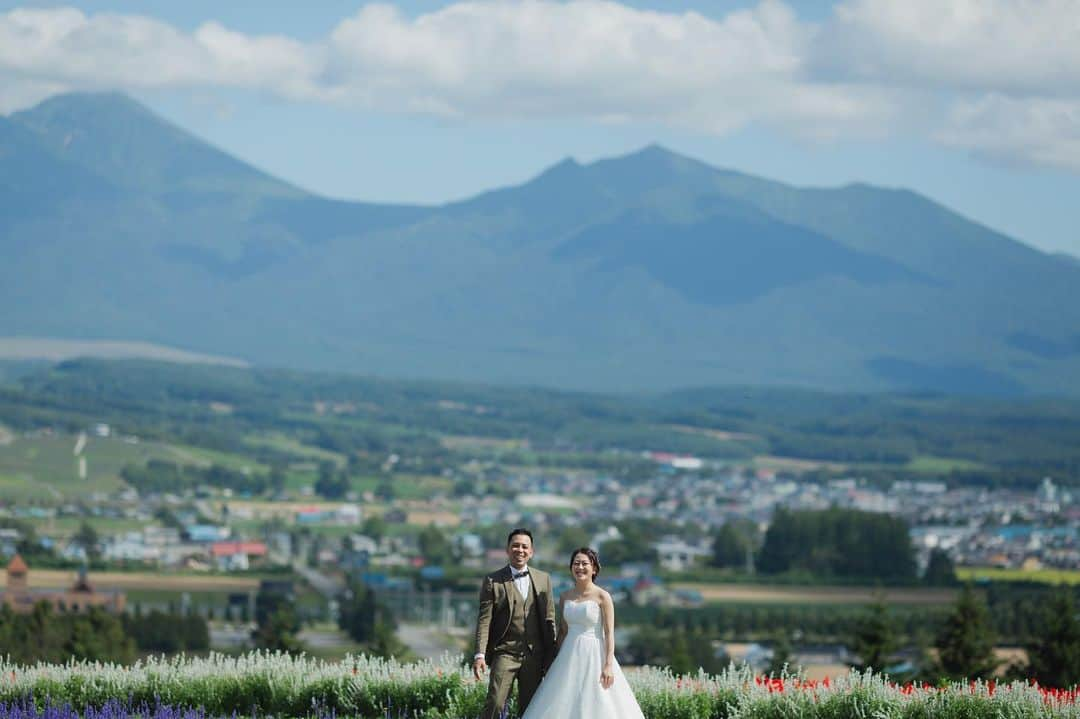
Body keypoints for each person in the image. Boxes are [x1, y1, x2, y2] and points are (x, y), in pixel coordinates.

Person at [519, 547, 644, 719]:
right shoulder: (565, 596)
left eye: (585, 563)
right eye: (576, 564)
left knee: (596, 699)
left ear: (594, 568)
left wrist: (608, 665)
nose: (580, 567)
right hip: (568, 655)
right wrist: (553, 659)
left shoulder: (603, 596)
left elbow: (609, 633)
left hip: (595, 653)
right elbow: (563, 630)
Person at [473, 528, 557, 719]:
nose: (520, 550)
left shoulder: (544, 579)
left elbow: (550, 619)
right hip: (505, 652)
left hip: (534, 655)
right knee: (495, 702)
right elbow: (484, 620)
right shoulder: (492, 580)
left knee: (531, 709)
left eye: (524, 546)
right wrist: (479, 654)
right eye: (515, 546)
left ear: (531, 551)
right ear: (508, 550)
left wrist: (551, 656)